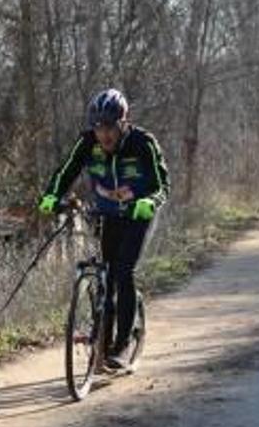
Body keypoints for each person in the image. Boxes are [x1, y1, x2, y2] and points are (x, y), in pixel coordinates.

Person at [37, 89, 170, 370]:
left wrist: (149, 201)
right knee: (106, 276)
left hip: (138, 215)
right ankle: (102, 344)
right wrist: (51, 195)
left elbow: (162, 185)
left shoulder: (142, 143)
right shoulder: (87, 142)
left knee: (123, 271)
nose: (104, 134)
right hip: (106, 215)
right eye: (98, 127)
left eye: (110, 127)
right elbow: (67, 170)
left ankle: (122, 345)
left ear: (123, 123)